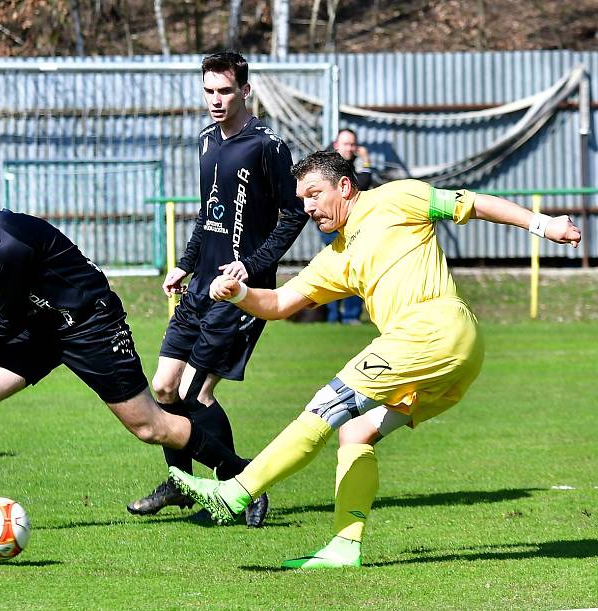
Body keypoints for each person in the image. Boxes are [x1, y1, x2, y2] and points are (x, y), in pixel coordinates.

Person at [169, 150, 581, 568]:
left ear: (344, 187)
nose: (307, 207)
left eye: (314, 194)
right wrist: (240, 294)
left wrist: (544, 225)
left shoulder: (397, 197)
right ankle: (346, 547)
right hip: (455, 355)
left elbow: (472, 203)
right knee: (355, 433)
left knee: (326, 406)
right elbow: (278, 303)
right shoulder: (337, 255)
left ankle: (237, 491)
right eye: (302, 199)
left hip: (433, 327)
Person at [0, 182, 252, 539]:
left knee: (150, 427)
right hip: (42, 326)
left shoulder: (3, 247)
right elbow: (19, 314)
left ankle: (243, 479)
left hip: (91, 326)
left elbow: (8, 321)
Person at [125, 51, 308, 527]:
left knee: (195, 393)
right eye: (208, 91)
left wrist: (251, 266)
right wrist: (185, 264)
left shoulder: (267, 145)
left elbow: (293, 215)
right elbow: (210, 214)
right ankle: (184, 484)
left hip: (238, 293)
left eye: (224, 91)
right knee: (163, 389)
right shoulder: (206, 141)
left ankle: (241, 484)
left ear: (245, 91)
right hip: (201, 285)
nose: (215, 100)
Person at [321, 128, 372, 325]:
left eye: (353, 145)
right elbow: (360, 183)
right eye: (346, 144)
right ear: (336, 145)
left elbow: (364, 184)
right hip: (332, 227)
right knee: (336, 270)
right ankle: (335, 316)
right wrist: (366, 162)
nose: (350, 148)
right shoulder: (328, 166)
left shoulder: (348, 165)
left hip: (351, 226)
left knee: (354, 269)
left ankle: (349, 316)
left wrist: (365, 161)